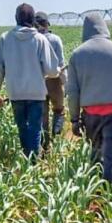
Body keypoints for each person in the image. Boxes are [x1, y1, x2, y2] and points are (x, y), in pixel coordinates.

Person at [67, 13, 112, 183]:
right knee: (111, 157)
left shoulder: (77, 55)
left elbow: (73, 91)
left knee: (95, 153)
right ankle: (108, 195)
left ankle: (94, 192)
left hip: (90, 114)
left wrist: (75, 119)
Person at [0, 3, 60, 159]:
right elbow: (51, 70)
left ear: (16, 18)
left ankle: (26, 159)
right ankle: (33, 163)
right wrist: (57, 72)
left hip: (16, 93)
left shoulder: (5, 38)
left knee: (22, 128)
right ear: (32, 19)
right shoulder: (40, 39)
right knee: (35, 129)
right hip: (36, 93)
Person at [34, 12, 67, 153]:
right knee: (59, 110)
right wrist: (65, 83)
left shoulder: (33, 40)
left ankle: (45, 144)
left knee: (43, 114)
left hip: (37, 82)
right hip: (54, 81)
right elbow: (60, 62)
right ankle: (56, 138)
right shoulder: (55, 39)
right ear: (47, 24)